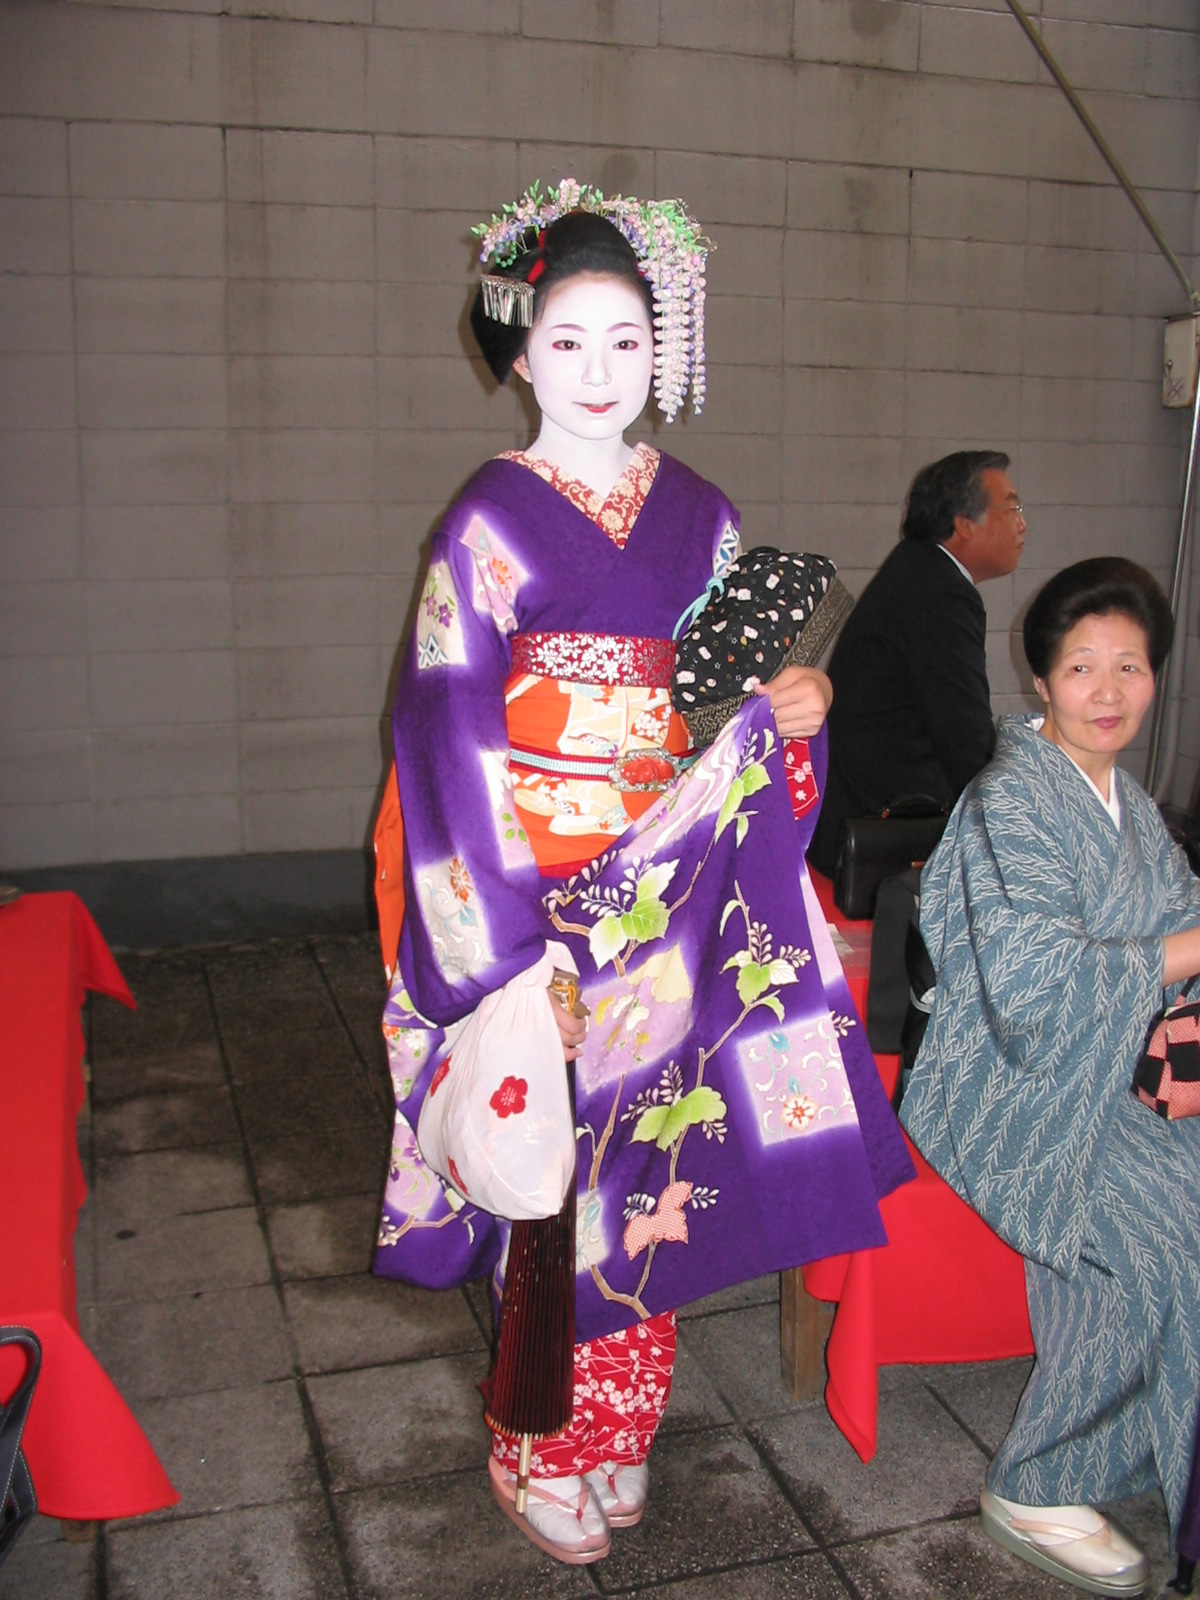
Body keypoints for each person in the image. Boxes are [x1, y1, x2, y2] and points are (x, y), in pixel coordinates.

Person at [370, 179, 913, 1566]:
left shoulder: (705, 515)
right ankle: (535, 1441)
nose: (601, 373)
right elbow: (444, 723)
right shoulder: (486, 525)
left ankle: (618, 1433)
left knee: (657, 1175)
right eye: (567, 341)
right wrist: (503, 958)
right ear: (517, 351)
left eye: (627, 340)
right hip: (536, 904)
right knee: (548, 1179)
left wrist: (786, 720)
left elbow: (718, 716)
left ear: (664, 348)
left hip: (670, 902)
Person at [900, 557, 1200, 1596]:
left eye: (1130, 665)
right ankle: (1040, 1479)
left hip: (1119, 1062)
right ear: (1040, 681)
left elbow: (1178, 936)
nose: (1108, 691)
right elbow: (1031, 989)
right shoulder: (1008, 801)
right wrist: (1186, 958)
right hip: (1012, 1075)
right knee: (1162, 1221)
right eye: (1082, 667)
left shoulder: (1132, 804)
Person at [808, 449, 1026, 878]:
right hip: (879, 835)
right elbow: (966, 739)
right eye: (1012, 508)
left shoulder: (919, 572)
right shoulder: (939, 594)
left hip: (859, 816)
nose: (1022, 523)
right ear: (964, 523)